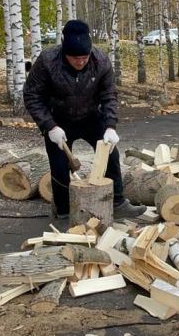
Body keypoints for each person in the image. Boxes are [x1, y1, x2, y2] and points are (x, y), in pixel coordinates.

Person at [24, 19, 146, 219]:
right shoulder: (47, 61)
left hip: (91, 116)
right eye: (75, 58)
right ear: (65, 53)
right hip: (58, 119)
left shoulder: (101, 61)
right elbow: (31, 95)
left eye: (84, 57)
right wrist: (49, 125)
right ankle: (63, 210)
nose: (80, 62)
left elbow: (109, 95)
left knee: (111, 156)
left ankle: (117, 202)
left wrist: (110, 126)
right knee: (60, 164)